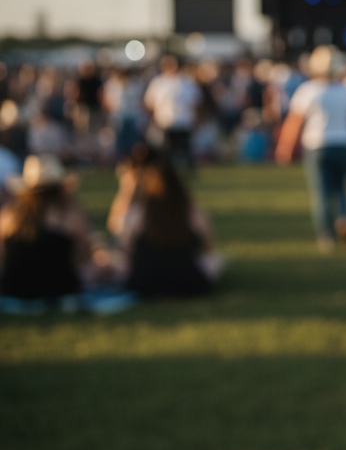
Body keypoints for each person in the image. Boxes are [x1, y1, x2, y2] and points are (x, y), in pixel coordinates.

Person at [275, 45, 346, 250]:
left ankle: (326, 236)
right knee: (343, 188)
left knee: (321, 192)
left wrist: (285, 147)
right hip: (344, 144)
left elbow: (294, 123)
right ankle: (344, 219)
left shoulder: (308, 91)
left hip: (317, 145)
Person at [107, 151, 222, 297]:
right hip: (190, 283)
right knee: (215, 261)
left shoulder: (139, 216)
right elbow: (207, 249)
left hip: (144, 284)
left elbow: (125, 250)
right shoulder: (194, 215)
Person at [0, 155, 91, 312]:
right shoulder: (70, 216)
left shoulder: (9, 216)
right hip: (61, 292)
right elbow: (84, 256)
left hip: (14, 293)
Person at [144, 55, 202, 171]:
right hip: (165, 121)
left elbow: (196, 102)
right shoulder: (158, 82)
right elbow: (149, 102)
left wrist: (196, 119)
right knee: (166, 150)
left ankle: (189, 171)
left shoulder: (187, 82)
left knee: (185, 149)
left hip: (184, 121)